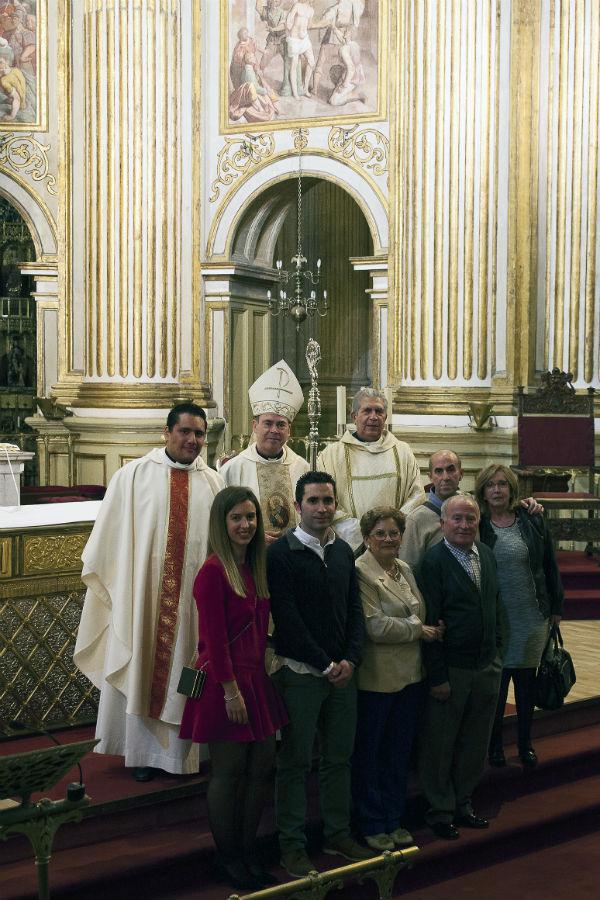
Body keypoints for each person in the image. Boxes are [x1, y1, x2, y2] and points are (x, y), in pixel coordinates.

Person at [74, 403, 224, 781]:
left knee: (190, 670)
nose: (192, 440)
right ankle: (141, 754)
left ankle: (184, 755)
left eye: (199, 434)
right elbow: (109, 543)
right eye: (185, 432)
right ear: (167, 432)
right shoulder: (133, 476)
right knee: (142, 665)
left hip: (192, 605)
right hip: (142, 602)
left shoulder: (213, 482)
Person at [179, 487, 288, 891]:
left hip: (254, 679)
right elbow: (213, 639)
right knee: (229, 772)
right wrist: (230, 692)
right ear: (222, 525)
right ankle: (228, 858)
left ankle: (247, 850)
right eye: (237, 518)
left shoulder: (254, 567)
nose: (245, 525)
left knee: (262, 768)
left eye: (251, 517)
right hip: (225, 684)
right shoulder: (213, 571)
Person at [267, 471, 372, 878]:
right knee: (294, 762)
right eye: (313, 501)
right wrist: (325, 664)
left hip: (343, 675)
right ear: (297, 506)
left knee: (338, 759)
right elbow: (287, 620)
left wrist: (351, 659)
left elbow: (354, 612)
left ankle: (338, 833)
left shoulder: (344, 551)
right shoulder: (282, 554)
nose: (322, 508)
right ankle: (291, 845)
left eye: (328, 500)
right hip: (302, 676)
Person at [352, 506, 444, 852]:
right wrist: (419, 630)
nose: (389, 539)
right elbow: (373, 627)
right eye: (380, 533)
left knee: (398, 753)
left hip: (410, 677)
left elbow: (415, 610)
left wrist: (421, 628)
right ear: (366, 538)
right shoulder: (361, 572)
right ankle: (373, 823)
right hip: (377, 681)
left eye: (394, 533)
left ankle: (393, 817)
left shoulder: (404, 568)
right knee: (371, 756)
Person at [417, 495, 506, 840]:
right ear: (442, 523)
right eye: (456, 519)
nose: (464, 525)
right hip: (451, 670)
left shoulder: (485, 554)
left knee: (474, 741)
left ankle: (463, 801)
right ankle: (440, 809)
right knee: (441, 743)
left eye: (470, 519)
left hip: (485, 666)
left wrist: (498, 651)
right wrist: (437, 676)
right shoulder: (433, 563)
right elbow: (429, 623)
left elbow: (496, 607)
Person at [475, 464, 564, 768]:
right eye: (490, 485)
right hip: (497, 620)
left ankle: (525, 742)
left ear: (512, 489)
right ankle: (494, 745)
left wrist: (556, 607)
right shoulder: (477, 523)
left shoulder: (531, 518)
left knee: (526, 686)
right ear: (483, 490)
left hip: (531, 613)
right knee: (497, 691)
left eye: (502, 484)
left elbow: (549, 565)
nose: (497, 490)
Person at [399, 448, 545, 570]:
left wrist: (524, 505)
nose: (446, 477)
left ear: (461, 474)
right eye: (439, 471)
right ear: (430, 476)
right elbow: (409, 569)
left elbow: (500, 506)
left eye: (451, 470)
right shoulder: (416, 519)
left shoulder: (474, 506)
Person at [317, 387, 424, 550]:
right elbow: (323, 499)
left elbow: (417, 495)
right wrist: (362, 533)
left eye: (379, 411)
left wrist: (391, 531)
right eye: (367, 411)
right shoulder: (331, 454)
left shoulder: (403, 451)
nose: (373, 417)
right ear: (354, 416)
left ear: (385, 417)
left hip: (393, 544)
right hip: (350, 545)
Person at [221, 360, 309, 545]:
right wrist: (254, 538)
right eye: (268, 423)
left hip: (293, 557)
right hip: (248, 554)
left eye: (281, 424)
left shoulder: (302, 467)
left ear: (289, 430)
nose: (274, 430)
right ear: (255, 426)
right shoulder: (233, 469)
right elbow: (221, 520)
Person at [285, 1, 316, 100]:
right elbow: (289, 19)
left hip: (304, 39)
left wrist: (323, 23)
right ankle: (295, 93)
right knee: (294, 65)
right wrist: (289, 29)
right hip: (294, 40)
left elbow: (310, 25)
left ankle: (305, 88)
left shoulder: (311, 10)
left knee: (311, 62)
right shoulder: (297, 6)